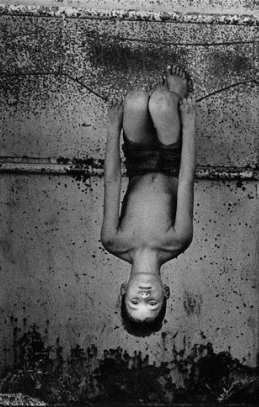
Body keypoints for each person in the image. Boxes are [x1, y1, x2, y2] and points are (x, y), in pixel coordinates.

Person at [100, 65, 196, 335]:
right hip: (171, 163)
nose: (144, 295)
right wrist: (189, 126)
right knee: (163, 102)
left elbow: (112, 181)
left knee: (134, 100)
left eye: (134, 301)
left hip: (138, 163)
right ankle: (174, 96)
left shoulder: (113, 241)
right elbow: (187, 180)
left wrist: (112, 126)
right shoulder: (178, 241)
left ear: (123, 290)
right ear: (165, 292)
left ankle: (160, 113)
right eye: (152, 302)